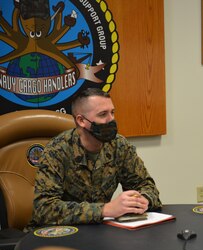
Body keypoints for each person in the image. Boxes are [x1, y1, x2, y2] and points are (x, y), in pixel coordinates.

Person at [26, 88, 161, 230]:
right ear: (81, 120)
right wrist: (104, 210)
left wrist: (143, 199)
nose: (111, 119)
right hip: (56, 235)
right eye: (103, 114)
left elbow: (147, 186)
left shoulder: (119, 145)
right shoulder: (57, 150)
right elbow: (44, 209)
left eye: (112, 112)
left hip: (98, 232)